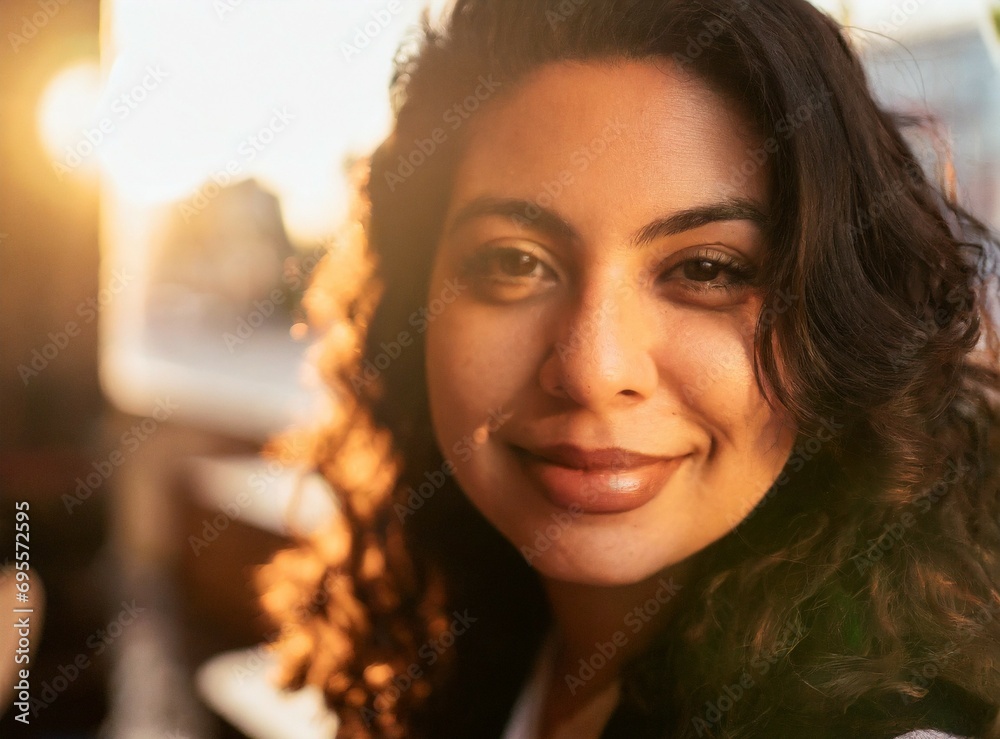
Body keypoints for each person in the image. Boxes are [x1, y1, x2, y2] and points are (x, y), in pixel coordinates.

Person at [256, 0, 1000, 737]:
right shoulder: (456, 637)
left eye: (708, 268)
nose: (591, 368)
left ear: (842, 322)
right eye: (515, 261)